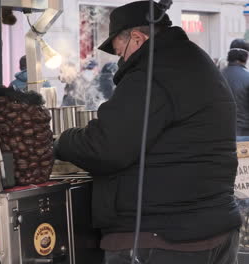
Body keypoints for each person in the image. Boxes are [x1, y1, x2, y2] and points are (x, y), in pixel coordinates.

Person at [54, 1, 241, 264]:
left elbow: (105, 146)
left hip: (165, 237)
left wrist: (62, 140)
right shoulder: (194, 61)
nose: (121, 60)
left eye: (121, 52)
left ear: (138, 39)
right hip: (213, 227)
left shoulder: (153, 72)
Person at [222, 39, 249, 139]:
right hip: (245, 134)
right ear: (246, 56)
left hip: (222, 134)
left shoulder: (217, 76)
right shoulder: (247, 77)